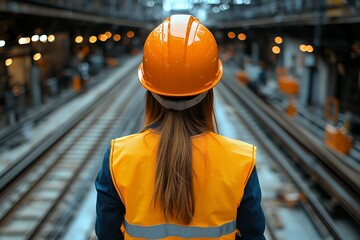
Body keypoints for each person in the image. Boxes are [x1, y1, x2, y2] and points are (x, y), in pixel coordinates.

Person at [95, 14, 265, 240]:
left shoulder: (118, 158)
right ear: (209, 93)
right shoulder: (240, 161)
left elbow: (107, 234)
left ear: (150, 92)